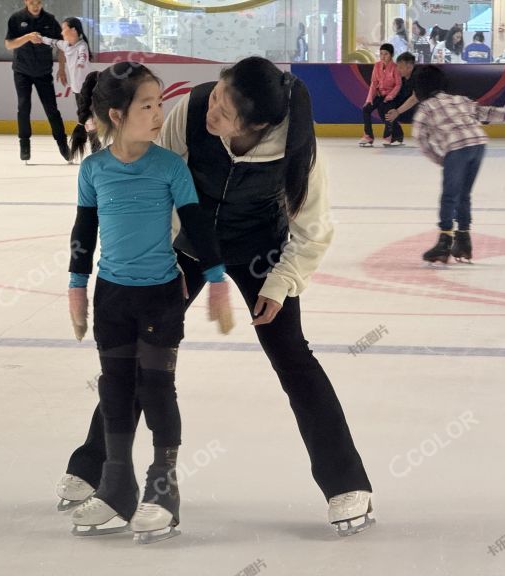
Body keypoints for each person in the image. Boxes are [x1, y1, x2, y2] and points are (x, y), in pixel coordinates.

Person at [58, 56, 375, 538]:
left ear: (258, 124)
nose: (214, 109)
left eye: (226, 111)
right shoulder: (194, 109)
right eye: (219, 94)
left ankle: (346, 484)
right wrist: (164, 264)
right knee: (146, 353)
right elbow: (152, 185)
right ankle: (93, 466)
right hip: (186, 240)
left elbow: (312, 230)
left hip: (259, 250)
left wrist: (278, 283)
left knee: (292, 355)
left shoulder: (297, 149)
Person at [66, 62, 234, 544]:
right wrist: (77, 287)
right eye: (148, 106)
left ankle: (163, 491)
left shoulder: (169, 167)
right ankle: (116, 485)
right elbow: (84, 232)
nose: (159, 113)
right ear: (117, 115)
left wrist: (217, 278)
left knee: (157, 390)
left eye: (160, 104)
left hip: (162, 295)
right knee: (115, 389)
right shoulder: (94, 170)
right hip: (112, 296)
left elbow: (197, 225)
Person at [412, 66, 505, 264]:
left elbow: (420, 139)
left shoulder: (426, 108)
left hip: (457, 147)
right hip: (478, 143)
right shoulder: (459, 99)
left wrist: (440, 159)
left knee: (449, 195)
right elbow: (487, 112)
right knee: (463, 194)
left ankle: (444, 241)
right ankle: (463, 240)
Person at [4, 0, 70, 163]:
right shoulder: (16, 18)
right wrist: (27, 37)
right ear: (26, 1)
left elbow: (61, 46)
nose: (35, 6)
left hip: (43, 72)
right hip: (22, 71)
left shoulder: (49, 20)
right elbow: (9, 44)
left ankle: (63, 145)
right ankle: (24, 144)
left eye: (38, 2)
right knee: (23, 106)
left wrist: (62, 68)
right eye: (32, 2)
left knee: (52, 109)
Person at [38, 17, 101, 161]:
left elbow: (83, 56)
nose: (61, 32)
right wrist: (40, 38)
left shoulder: (82, 46)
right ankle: (96, 145)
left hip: (88, 88)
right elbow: (52, 42)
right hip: (77, 90)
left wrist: (80, 63)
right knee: (87, 119)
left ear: (73, 30)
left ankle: (96, 145)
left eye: (63, 28)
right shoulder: (66, 45)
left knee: (87, 118)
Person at [359, 43, 401, 147]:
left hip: (391, 96)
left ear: (391, 55)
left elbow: (398, 84)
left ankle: (388, 136)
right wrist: (369, 99)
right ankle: (368, 136)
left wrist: (390, 96)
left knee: (386, 110)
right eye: (381, 53)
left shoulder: (395, 68)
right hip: (379, 95)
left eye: (386, 54)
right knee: (366, 109)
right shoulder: (377, 66)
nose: (383, 56)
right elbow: (373, 83)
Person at [384, 52, 419, 144]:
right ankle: (396, 134)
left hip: (420, 111)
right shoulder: (400, 78)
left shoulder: (418, 76)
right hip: (406, 109)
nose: (398, 70)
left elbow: (414, 99)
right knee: (384, 105)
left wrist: (397, 112)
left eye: (400, 67)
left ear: (410, 67)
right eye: (397, 67)